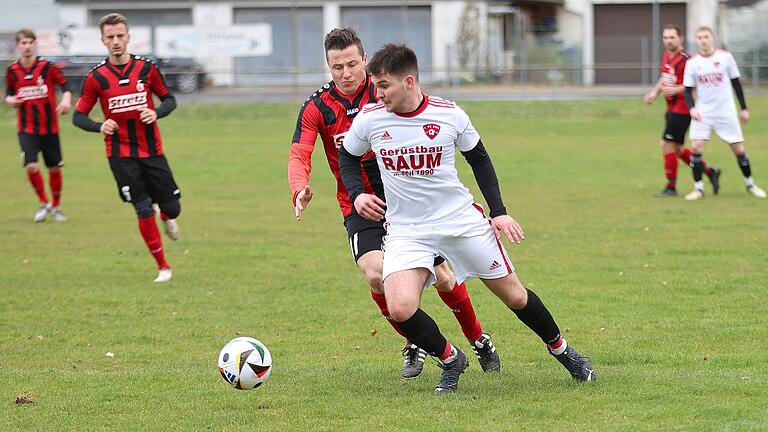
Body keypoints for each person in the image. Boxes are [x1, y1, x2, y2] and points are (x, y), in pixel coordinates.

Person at [339, 44, 595, 395]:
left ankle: (564, 351)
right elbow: (347, 157)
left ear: (409, 81)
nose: (377, 92)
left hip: (461, 222)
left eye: (384, 85)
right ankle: (450, 358)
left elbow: (480, 160)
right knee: (400, 307)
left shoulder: (449, 114)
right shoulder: (370, 119)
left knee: (516, 297)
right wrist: (357, 194)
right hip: (407, 230)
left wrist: (499, 212)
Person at [289, 28, 500, 378]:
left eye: (352, 64)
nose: (346, 73)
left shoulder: (386, 90)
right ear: (328, 66)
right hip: (359, 206)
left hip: (411, 204)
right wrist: (299, 186)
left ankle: (478, 338)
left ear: (365, 59)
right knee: (376, 275)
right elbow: (300, 151)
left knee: (445, 278)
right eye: (337, 66)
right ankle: (424, 344)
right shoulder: (316, 107)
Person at [72, 13, 181, 283]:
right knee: (142, 208)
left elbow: (170, 100)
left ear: (128, 37)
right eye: (110, 37)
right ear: (103, 41)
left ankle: (165, 215)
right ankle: (163, 267)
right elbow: (78, 116)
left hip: (152, 150)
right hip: (120, 155)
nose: (116, 41)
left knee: (173, 208)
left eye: (120, 35)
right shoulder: (96, 78)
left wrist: (156, 113)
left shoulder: (146, 69)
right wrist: (100, 126)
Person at [682, 26, 766, 200]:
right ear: (696, 41)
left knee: (738, 149)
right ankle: (698, 188)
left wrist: (743, 108)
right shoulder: (692, 63)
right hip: (703, 112)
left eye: (706, 37)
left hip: (725, 110)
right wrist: (692, 108)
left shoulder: (725, 57)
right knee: (696, 146)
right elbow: (687, 90)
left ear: (712, 38)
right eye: (700, 37)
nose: (703, 40)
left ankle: (750, 183)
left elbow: (736, 83)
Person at [644, 24, 720, 197]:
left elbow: (693, 85)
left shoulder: (688, 60)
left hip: (683, 109)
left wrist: (676, 90)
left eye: (672, 37)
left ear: (681, 38)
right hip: (670, 108)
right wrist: (654, 92)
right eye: (665, 37)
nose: (668, 41)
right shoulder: (666, 55)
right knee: (677, 149)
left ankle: (671, 187)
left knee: (666, 144)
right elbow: (665, 78)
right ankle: (710, 172)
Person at [5, 28, 72, 222]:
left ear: (35, 44)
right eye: (23, 43)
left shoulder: (47, 67)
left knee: (54, 168)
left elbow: (65, 86)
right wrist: (11, 100)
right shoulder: (13, 71)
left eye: (30, 42)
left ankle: (57, 207)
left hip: (50, 127)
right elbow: (8, 94)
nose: (27, 46)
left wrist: (66, 101)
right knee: (32, 167)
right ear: (18, 46)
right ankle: (44, 203)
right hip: (26, 129)